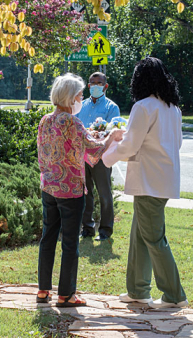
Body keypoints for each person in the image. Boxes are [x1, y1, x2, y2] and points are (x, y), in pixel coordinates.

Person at [102, 57, 187, 309]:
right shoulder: (172, 107)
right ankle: (138, 289)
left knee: (153, 238)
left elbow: (131, 145)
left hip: (149, 181)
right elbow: (170, 143)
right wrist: (124, 136)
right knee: (140, 236)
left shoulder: (143, 106)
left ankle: (174, 294)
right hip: (162, 180)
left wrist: (105, 157)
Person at [36, 73, 124, 307]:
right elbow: (94, 151)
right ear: (70, 97)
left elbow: (46, 153)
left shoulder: (45, 120)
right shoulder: (72, 122)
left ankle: (43, 290)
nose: (82, 98)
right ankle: (66, 294)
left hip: (49, 187)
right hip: (71, 190)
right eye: (80, 94)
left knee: (47, 239)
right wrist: (111, 137)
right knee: (70, 243)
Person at [75, 72, 121, 241]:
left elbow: (113, 133)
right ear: (88, 86)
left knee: (104, 193)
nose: (95, 86)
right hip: (83, 155)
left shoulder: (111, 107)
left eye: (99, 83)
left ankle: (105, 230)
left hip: (101, 157)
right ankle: (87, 228)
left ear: (105, 86)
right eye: (92, 83)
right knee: (85, 193)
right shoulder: (80, 105)